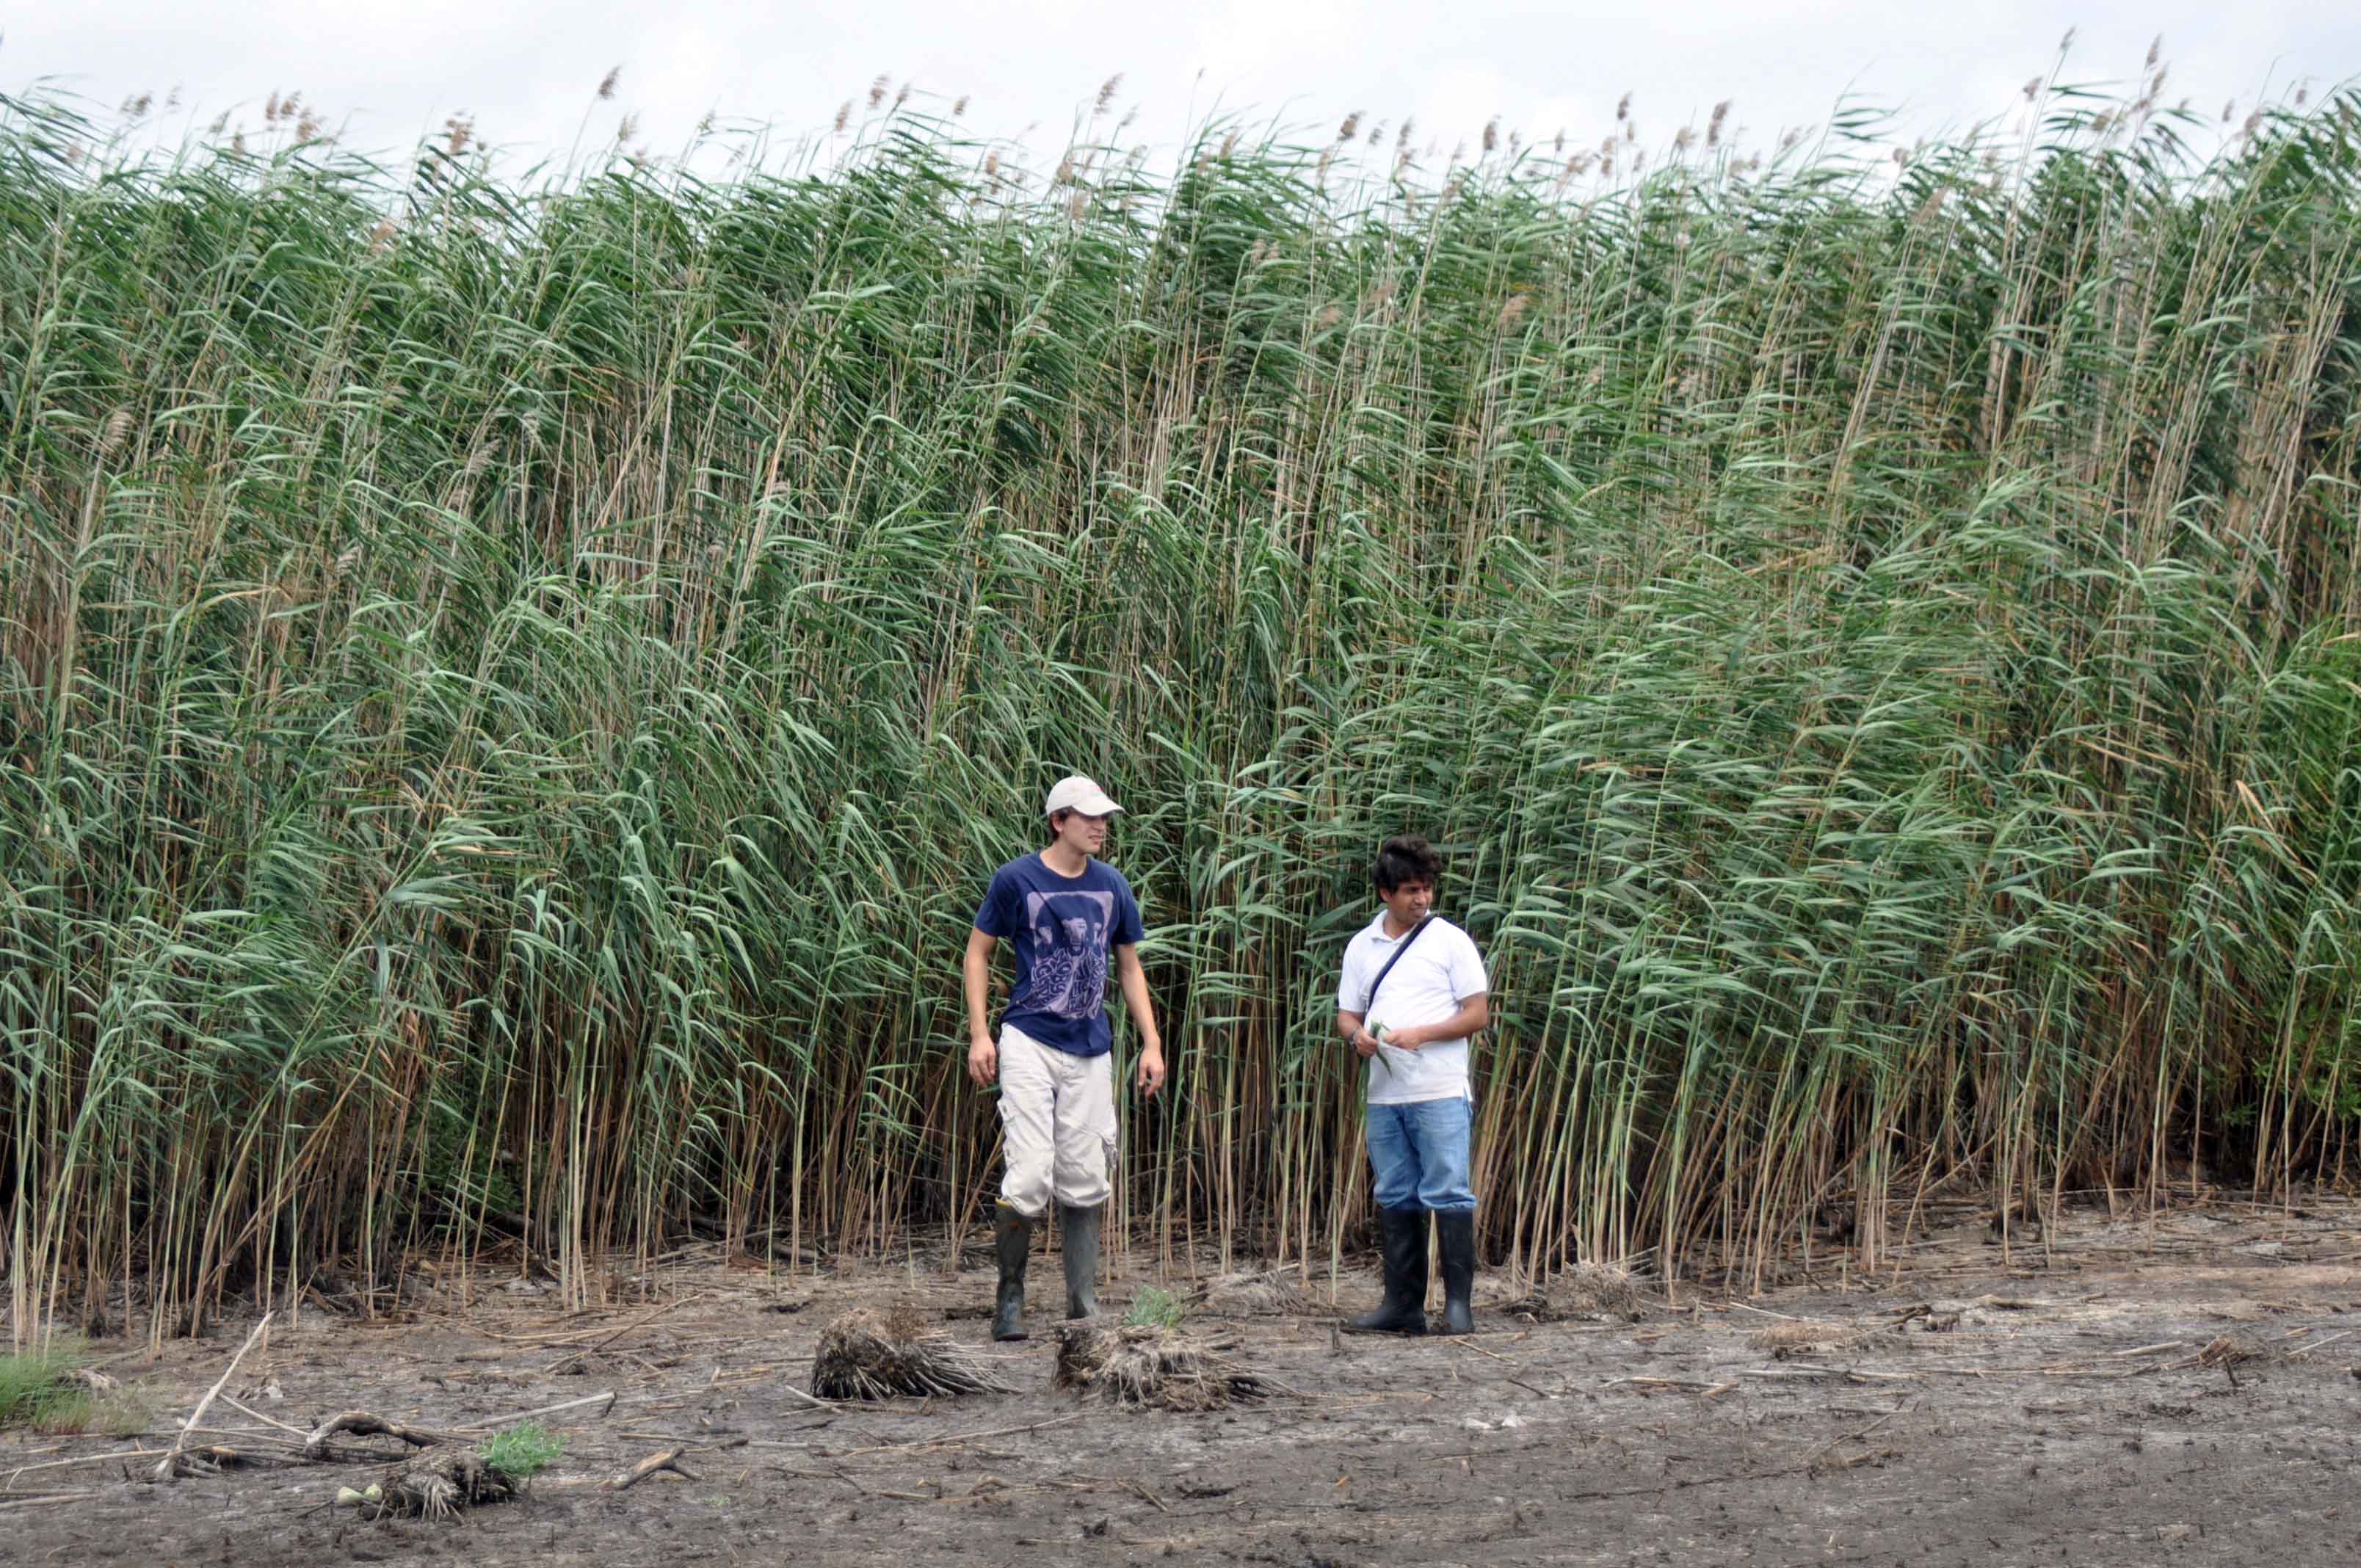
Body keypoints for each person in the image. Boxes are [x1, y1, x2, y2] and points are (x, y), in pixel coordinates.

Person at [965, 775, 1167, 1340]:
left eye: (1105, 817)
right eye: (1088, 817)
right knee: (1030, 1173)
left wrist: (1150, 1042)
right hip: (1028, 1037)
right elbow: (977, 954)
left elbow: (1129, 966)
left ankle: (1083, 1305)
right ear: (1058, 821)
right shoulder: (1016, 879)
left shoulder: (1112, 885)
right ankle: (1010, 1298)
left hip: (1091, 1046)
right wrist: (982, 1035)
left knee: (1084, 1176)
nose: (1101, 826)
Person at [1335, 835, 1491, 1335]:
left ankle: (1458, 1308)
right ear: (1385, 892)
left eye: (1426, 889)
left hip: (1440, 1089)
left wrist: (1421, 1034)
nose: (1421, 900)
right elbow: (1346, 1015)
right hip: (1385, 1094)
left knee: (1449, 1190)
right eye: (1409, 891)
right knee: (1396, 1192)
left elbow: (1477, 1014)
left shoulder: (1450, 940)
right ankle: (1403, 1306)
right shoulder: (1363, 946)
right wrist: (1358, 1037)